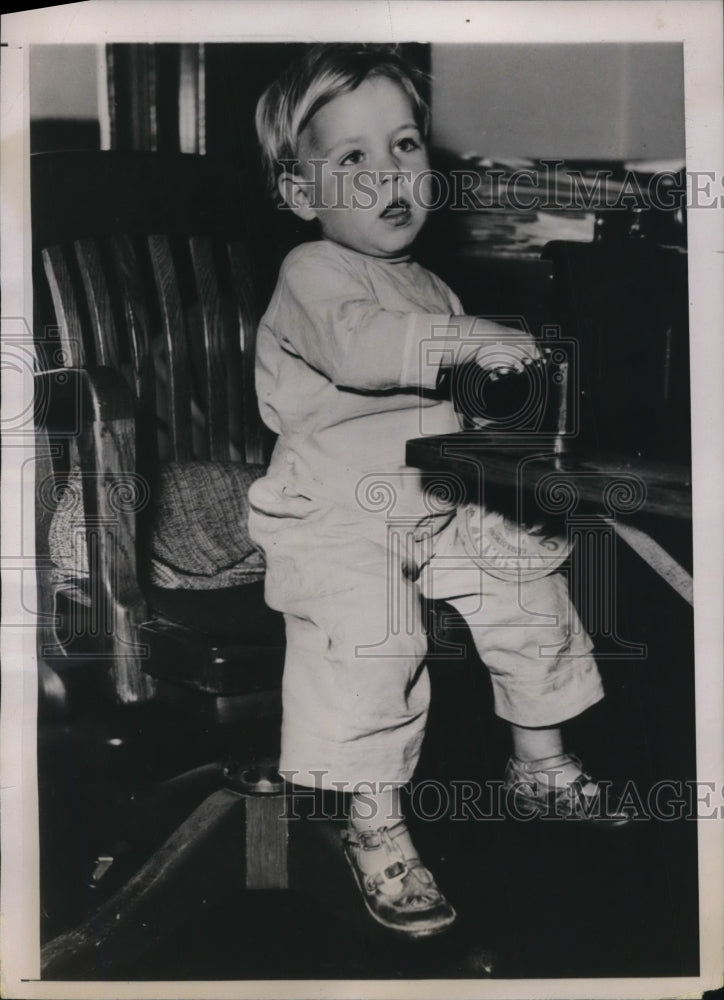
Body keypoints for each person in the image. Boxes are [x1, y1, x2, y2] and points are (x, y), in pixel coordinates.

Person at [248, 43, 627, 940]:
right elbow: (364, 348)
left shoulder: (430, 282)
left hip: (437, 499)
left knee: (529, 574)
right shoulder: (315, 273)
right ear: (302, 195)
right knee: (371, 638)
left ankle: (540, 763)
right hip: (336, 512)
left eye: (407, 145)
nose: (391, 174)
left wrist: (513, 422)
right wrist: (469, 342)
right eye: (353, 159)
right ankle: (371, 819)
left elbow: (455, 400)